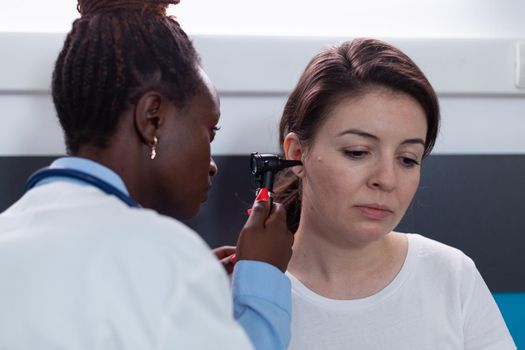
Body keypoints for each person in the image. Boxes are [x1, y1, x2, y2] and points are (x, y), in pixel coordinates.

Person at [0, 1, 294, 349]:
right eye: (208, 133)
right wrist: (262, 277)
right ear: (152, 118)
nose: (211, 162)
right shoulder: (165, 256)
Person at [274, 38, 516, 349]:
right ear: (296, 154)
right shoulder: (242, 291)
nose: (386, 180)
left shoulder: (450, 275)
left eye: (407, 159)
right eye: (358, 152)